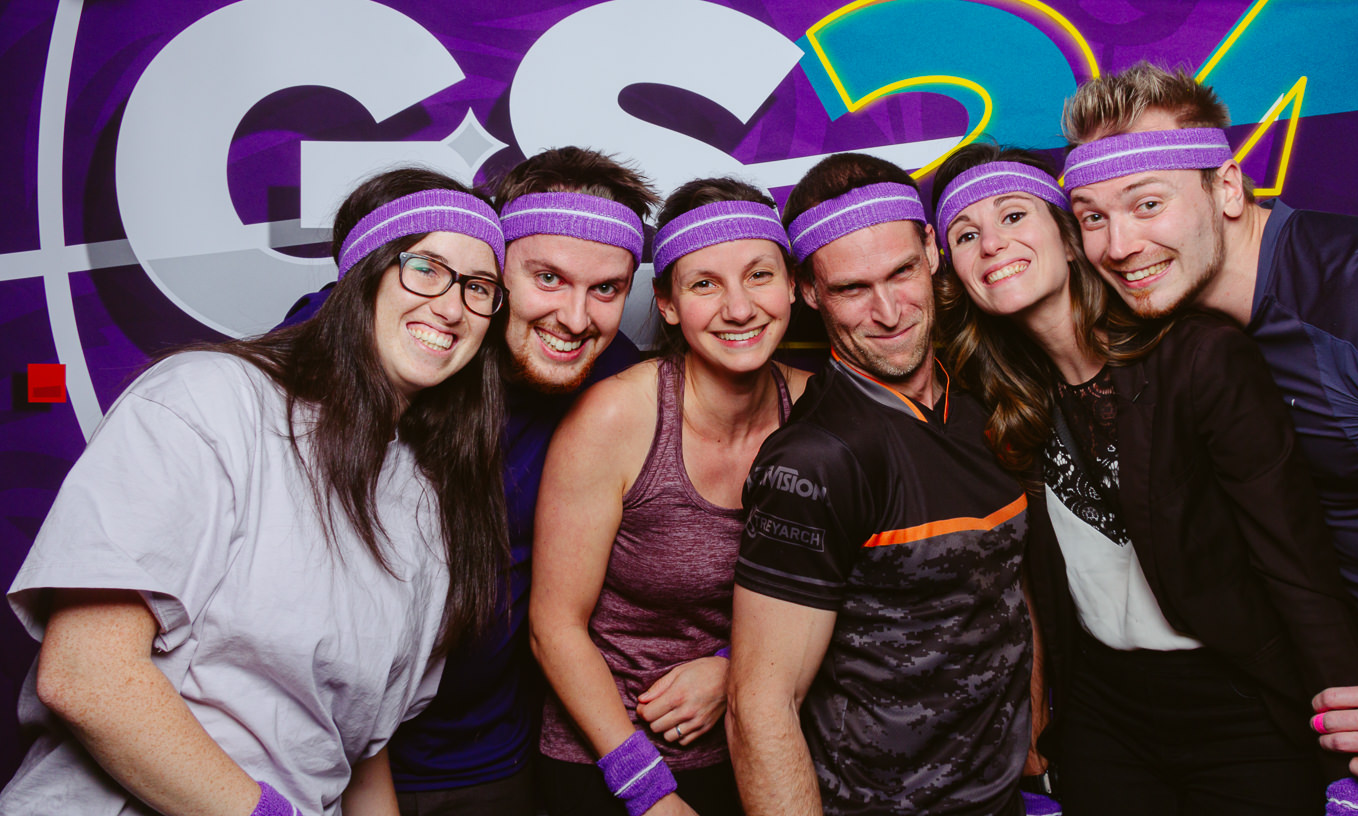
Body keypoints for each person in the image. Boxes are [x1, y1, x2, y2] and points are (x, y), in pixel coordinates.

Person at [1, 168, 512, 815]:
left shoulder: (426, 502)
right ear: (363, 274)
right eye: (425, 268)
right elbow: (87, 675)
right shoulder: (207, 400)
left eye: (478, 288)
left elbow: (352, 750)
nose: (451, 307)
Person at [1061, 62, 1358, 813]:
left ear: (1228, 189)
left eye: (1148, 203)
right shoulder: (1198, 332)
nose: (1119, 245)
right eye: (1092, 217)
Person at [931, 145, 1358, 814]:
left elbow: (1298, 564)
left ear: (1071, 238)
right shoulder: (996, 403)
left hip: (1240, 702)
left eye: (1013, 215)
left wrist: (1353, 762)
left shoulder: (1201, 360)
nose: (991, 243)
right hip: (1105, 715)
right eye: (966, 235)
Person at [726, 153, 1032, 816]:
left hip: (1003, 798)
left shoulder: (984, 396)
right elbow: (760, 707)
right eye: (852, 289)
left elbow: (1009, 585)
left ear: (932, 249)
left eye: (901, 272)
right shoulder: (814, 460)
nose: (889, 312)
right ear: (809, 291)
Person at [385, 147, 656, 815]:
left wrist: (728, 660)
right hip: (322, 742)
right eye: (548, 278)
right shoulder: (397, 333)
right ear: (493, 268)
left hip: (485, 757)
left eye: (607, 290)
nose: (575, 318)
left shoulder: (617, 380)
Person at [531, 177, 812, 816]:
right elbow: (554, 628)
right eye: (705, 284)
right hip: (612, 759)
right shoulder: (616, 418)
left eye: (759, 275)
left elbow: (851, 589)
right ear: (666, 303)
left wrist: (734, 666)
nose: (739, 308)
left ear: (794, 285)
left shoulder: (820, 409)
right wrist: (647, 791)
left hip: (760, 748)